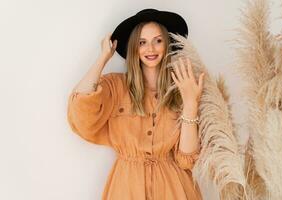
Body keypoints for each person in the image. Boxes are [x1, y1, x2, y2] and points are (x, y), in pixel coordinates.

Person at [67, 8, 205, 200]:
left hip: (174, 189)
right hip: (126, 188)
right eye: (142, 42)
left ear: (167, 44)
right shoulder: (115, 87)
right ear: (134, 48)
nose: (150, 49)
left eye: (158, 40)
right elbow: (80, 112)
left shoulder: (181, 87)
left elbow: (187, 160)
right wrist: (103, 58)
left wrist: (190, 103)